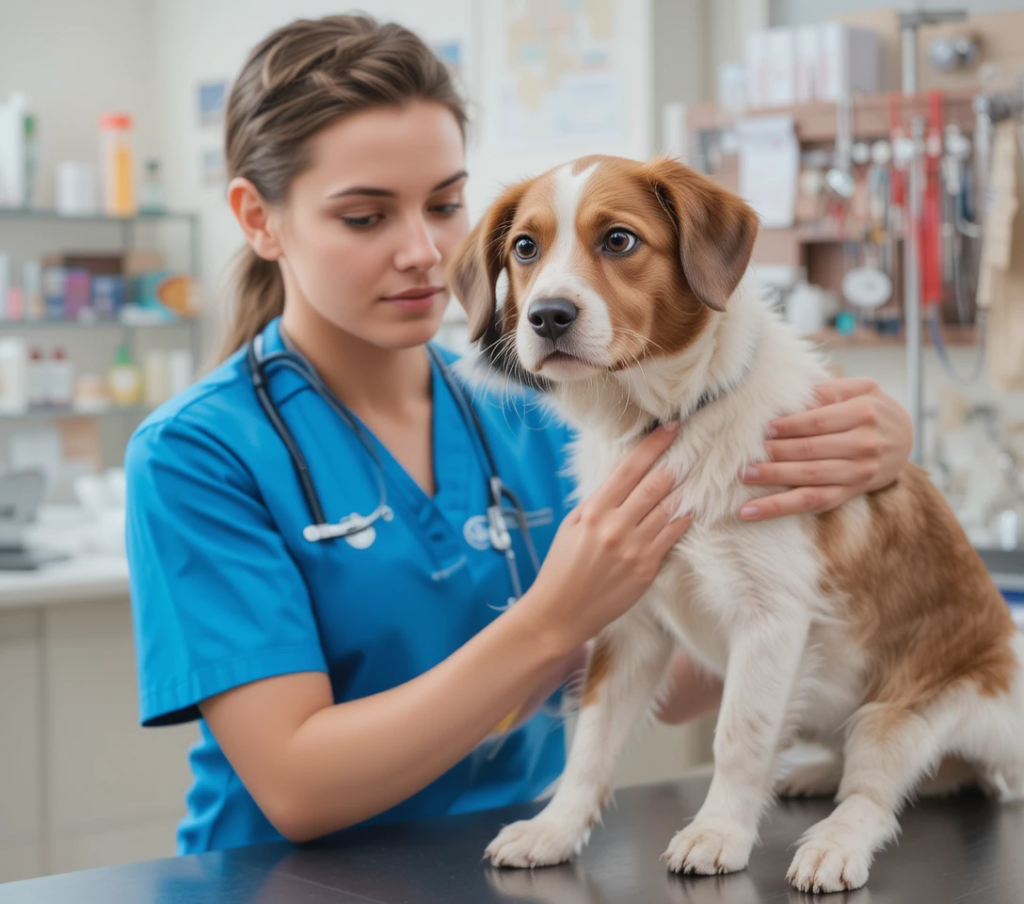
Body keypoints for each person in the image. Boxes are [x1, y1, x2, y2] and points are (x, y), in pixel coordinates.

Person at [125, 14, 914, 856]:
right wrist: (551, 619)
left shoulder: (557, 409)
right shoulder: (197, 455)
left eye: (445, 203)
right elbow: (298, 787)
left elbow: (681, 683)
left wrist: (868, 488)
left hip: (514, 859)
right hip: (284, 879)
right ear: (259, 218)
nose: (425, 252)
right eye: (365, 218)